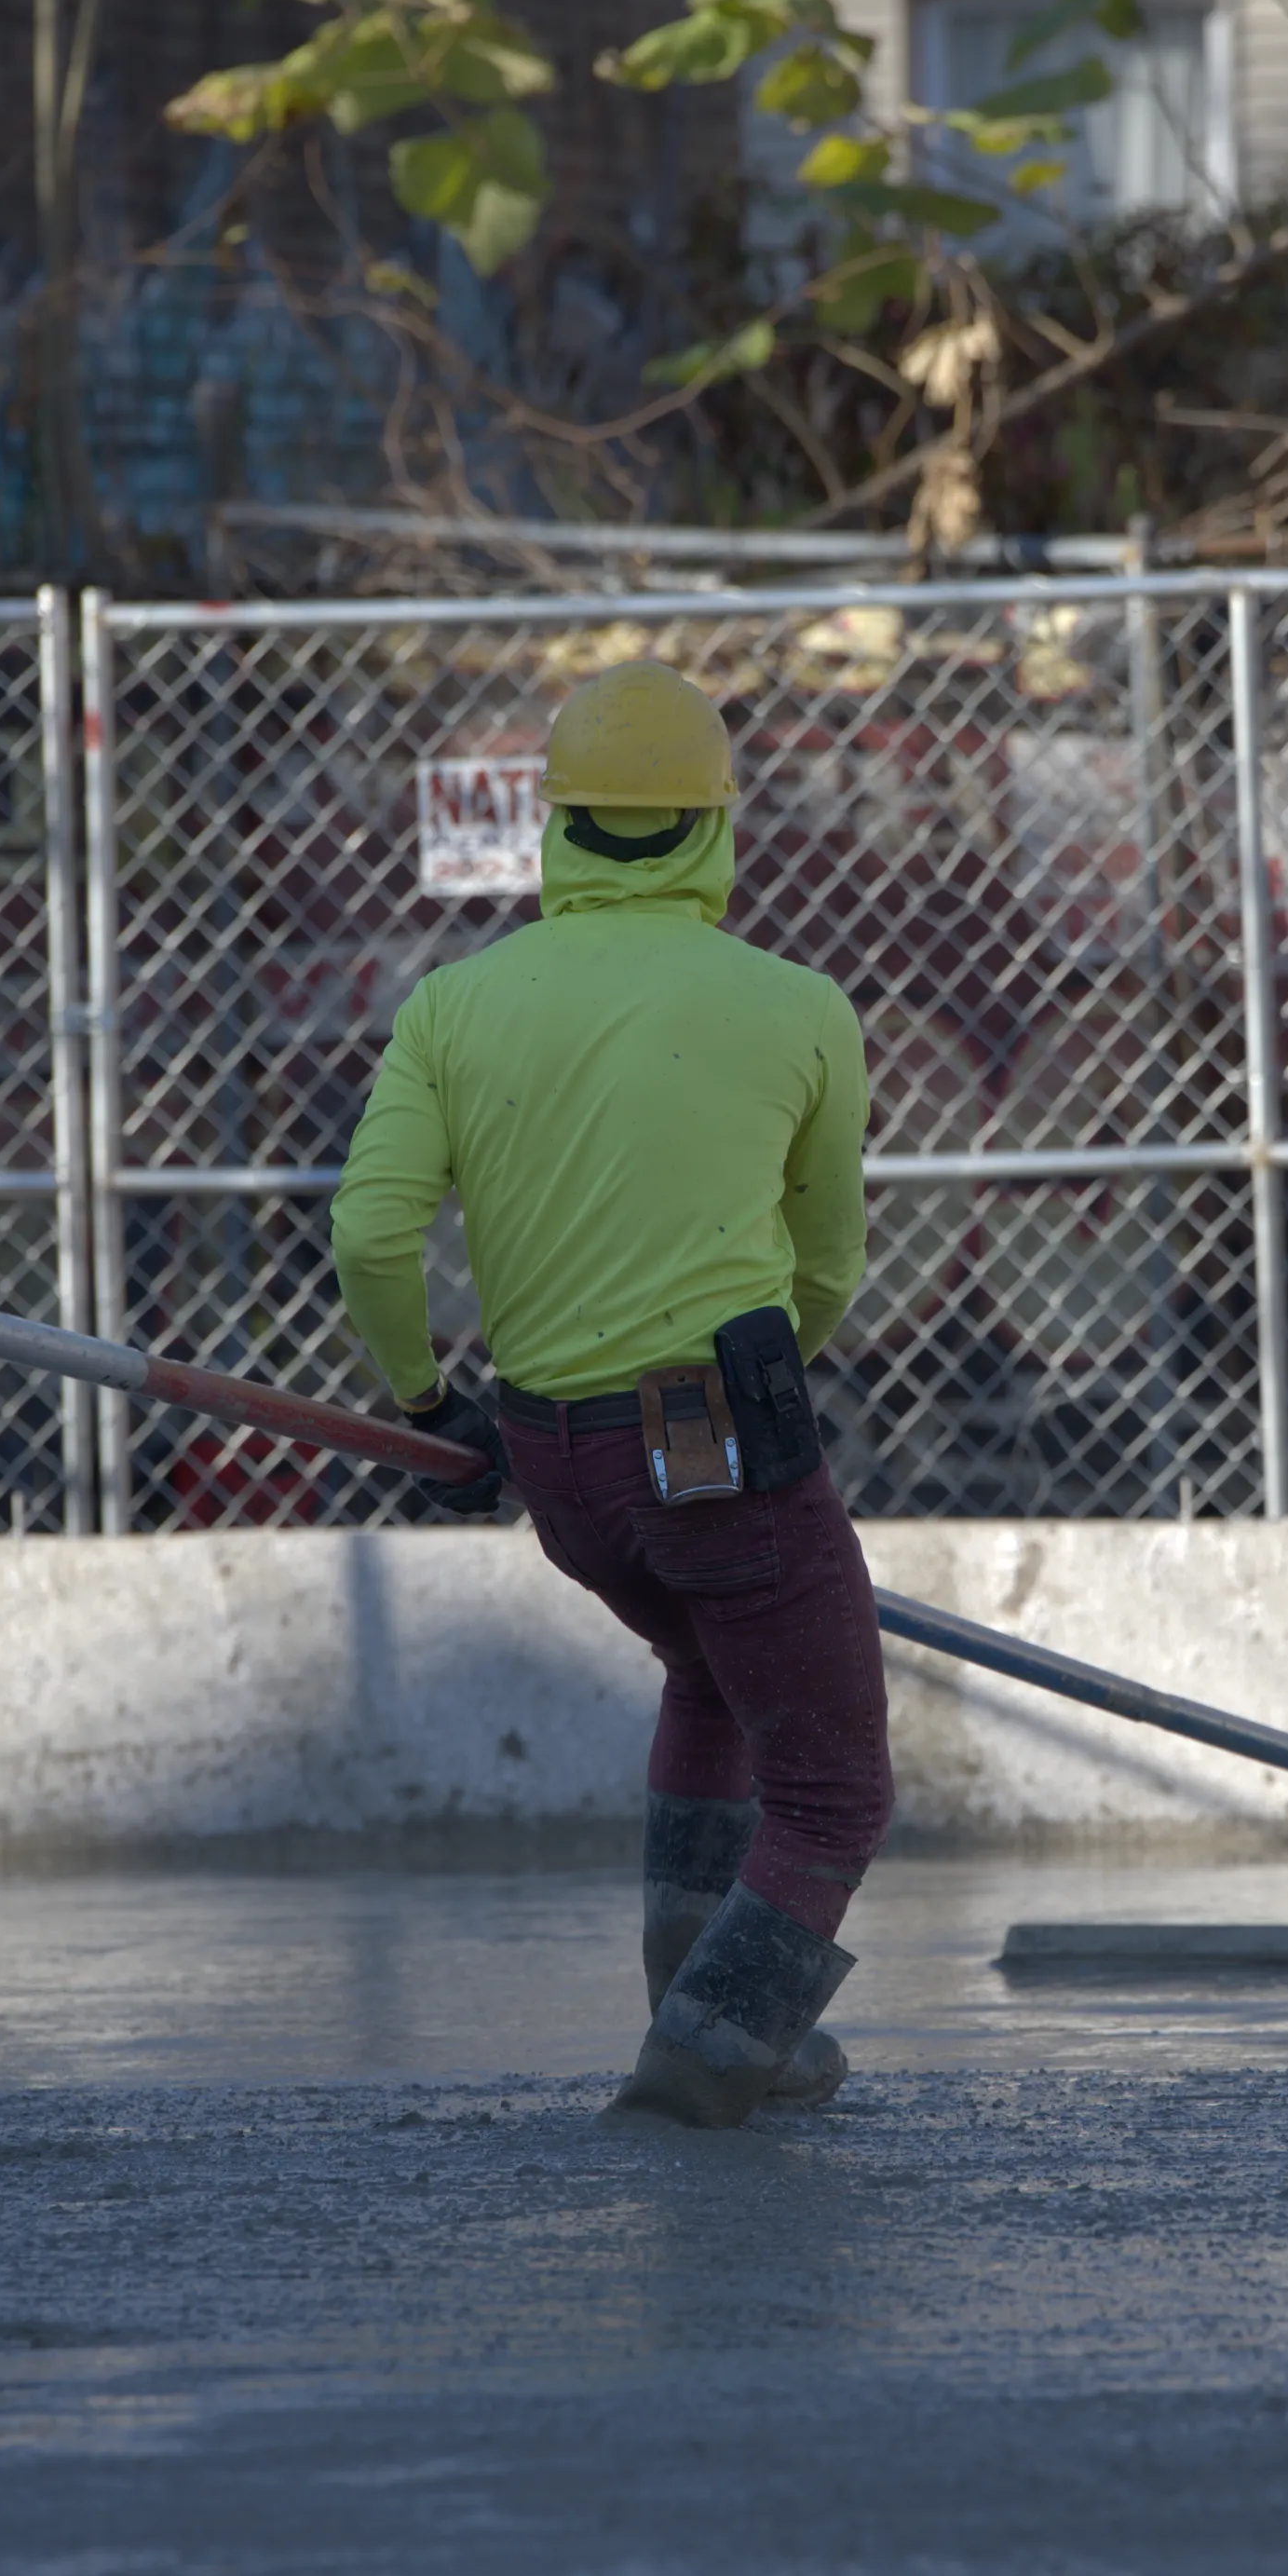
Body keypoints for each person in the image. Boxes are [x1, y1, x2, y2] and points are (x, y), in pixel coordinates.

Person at [331, 657, 892, 2128]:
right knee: (835, 1792)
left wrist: (424, 1402)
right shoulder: (799, 1007)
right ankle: (710, 2049)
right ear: (718, 824)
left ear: (557, 823)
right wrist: (759, 1399)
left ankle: (700, 1994)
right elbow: (828, 1269)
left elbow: (371, 1236)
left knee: (707, 1672)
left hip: (555, 1462)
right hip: (718, 1446)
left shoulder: (453, 1005)